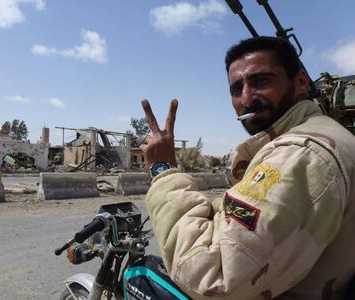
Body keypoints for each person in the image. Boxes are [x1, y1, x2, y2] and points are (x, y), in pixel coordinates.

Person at [140, 36, 355, 299]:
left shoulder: (300, 154)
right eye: (236, 88)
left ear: (300, 82)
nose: (247, 98)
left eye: (261, 81)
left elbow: (211, 275)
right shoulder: (324, 135)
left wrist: (163, 171)